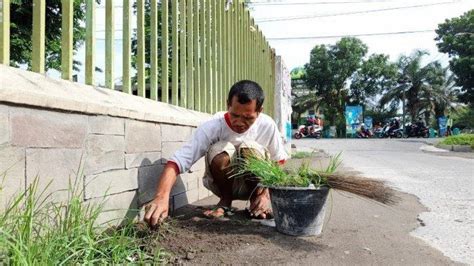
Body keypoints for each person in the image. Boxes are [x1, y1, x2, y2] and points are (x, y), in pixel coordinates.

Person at [144, 80, 288, 227]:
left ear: (259, 111)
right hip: (222, 184)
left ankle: (256, 202)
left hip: (255, 186)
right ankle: (225, 201)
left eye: (248, 118)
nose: (239, 122)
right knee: (220, 149)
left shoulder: (267, 125)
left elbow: (279, 161)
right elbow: (178, 161)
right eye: (235, 115)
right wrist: (161, 197)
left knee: (250, 148)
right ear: (228, 105)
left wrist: (265, 195)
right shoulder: (213, 125)